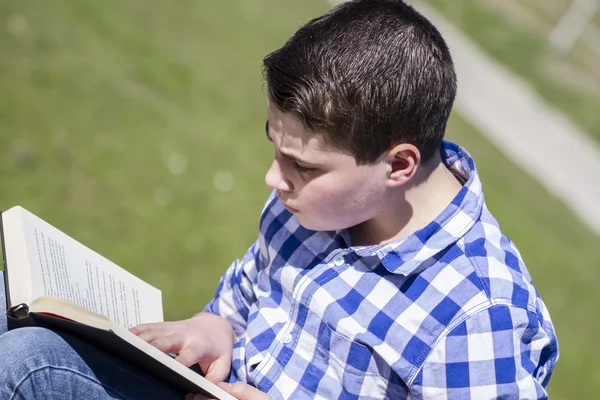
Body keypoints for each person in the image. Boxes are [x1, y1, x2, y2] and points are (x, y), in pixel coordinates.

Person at [0, 0, 559, 399]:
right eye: (276, 147)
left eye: (303, 165)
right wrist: (214, 326)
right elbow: (244, 298)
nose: (274, 178)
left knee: (25, 366)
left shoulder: (478, 315)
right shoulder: (316, 202)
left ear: (398, 165)